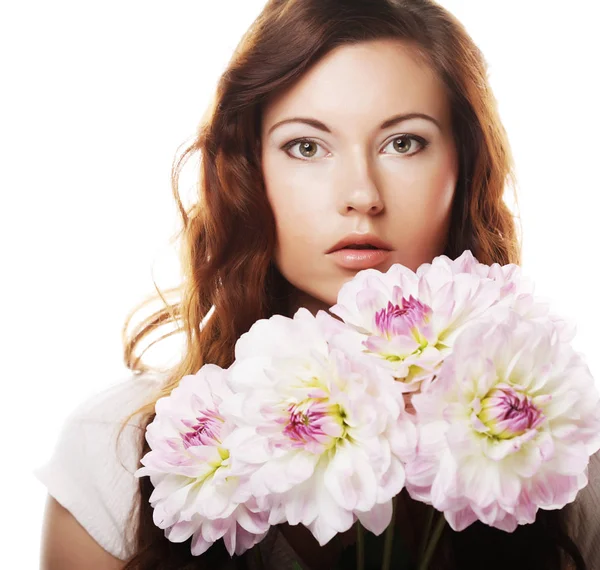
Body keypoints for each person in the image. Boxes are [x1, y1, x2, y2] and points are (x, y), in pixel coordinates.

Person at [35, 0, 600, 569]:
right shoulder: (121, 449)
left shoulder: (562, 448)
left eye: (403, 142)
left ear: (465, 167)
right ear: (249, 172)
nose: (361, 193)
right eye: (307, 147)